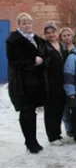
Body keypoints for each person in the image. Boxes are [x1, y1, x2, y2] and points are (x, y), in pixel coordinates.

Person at [6, 13, 48, 153]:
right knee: (26, 111)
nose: (27, 25)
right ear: (19, 24)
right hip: (21, 82)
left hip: (35, 81)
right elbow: (13, 60)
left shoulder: (36, 39)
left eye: (29, 23)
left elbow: (44, 54)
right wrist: (32, 61)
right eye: (24, 23)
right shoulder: (13, 40)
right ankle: (29, 142)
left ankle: (33, 140)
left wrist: (41, 60)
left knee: (33, 112)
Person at [43, 23, 68, 146]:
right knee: (51, 111)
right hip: (50, 83)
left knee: (59, 109)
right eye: (48, 32)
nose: (51, 34)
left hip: (62, 82)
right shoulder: (44, 47)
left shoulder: (62, 45)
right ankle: (52, 136)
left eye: (53, 32)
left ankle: (57, 133)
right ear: (45, 34)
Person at [58, 27, 75, 137]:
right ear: (61, 37)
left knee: (75, 104)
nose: (67, 37)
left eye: (69, 35)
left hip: (75, 79)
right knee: (65, 107)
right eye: (64, 35)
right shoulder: (60, 48)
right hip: (63, 79)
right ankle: (69, 127)